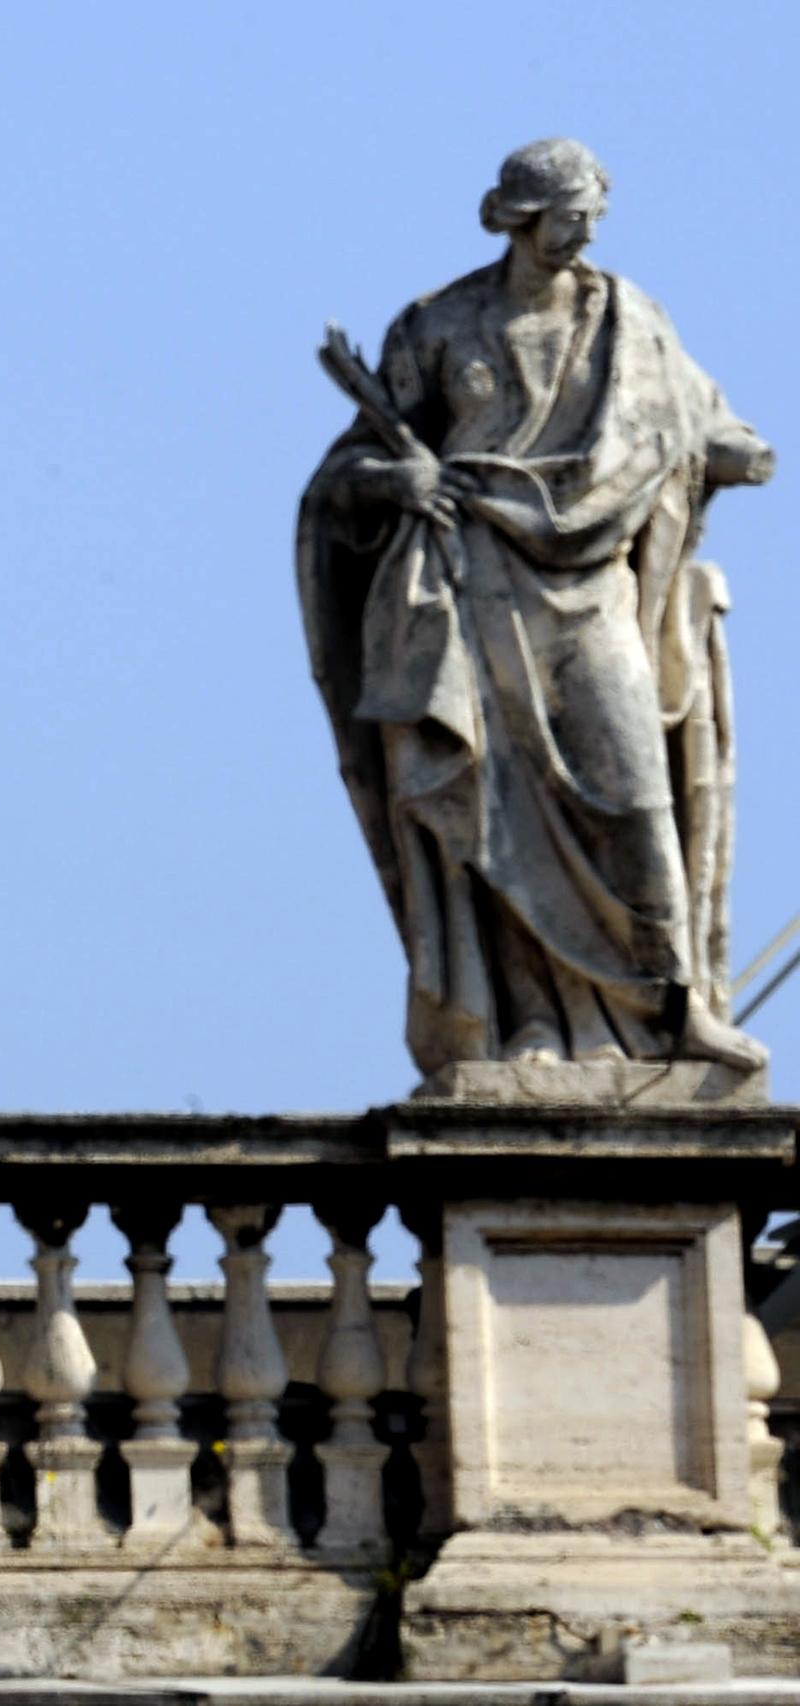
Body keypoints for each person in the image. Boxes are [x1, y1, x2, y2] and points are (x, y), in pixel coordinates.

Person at [298, 138, 769, 1078]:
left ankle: (670, 1008)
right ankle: (529, 1027)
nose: (586, 230)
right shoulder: (440, 324)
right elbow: (345, 476)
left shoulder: (633, 322)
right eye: (570, 214)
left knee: (637, 794)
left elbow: (708, 425)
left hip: (596, 594)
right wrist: (399, 475)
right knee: (492, 812)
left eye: (595, 212)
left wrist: (728, 453)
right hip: (469, 586)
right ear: (520, 216)